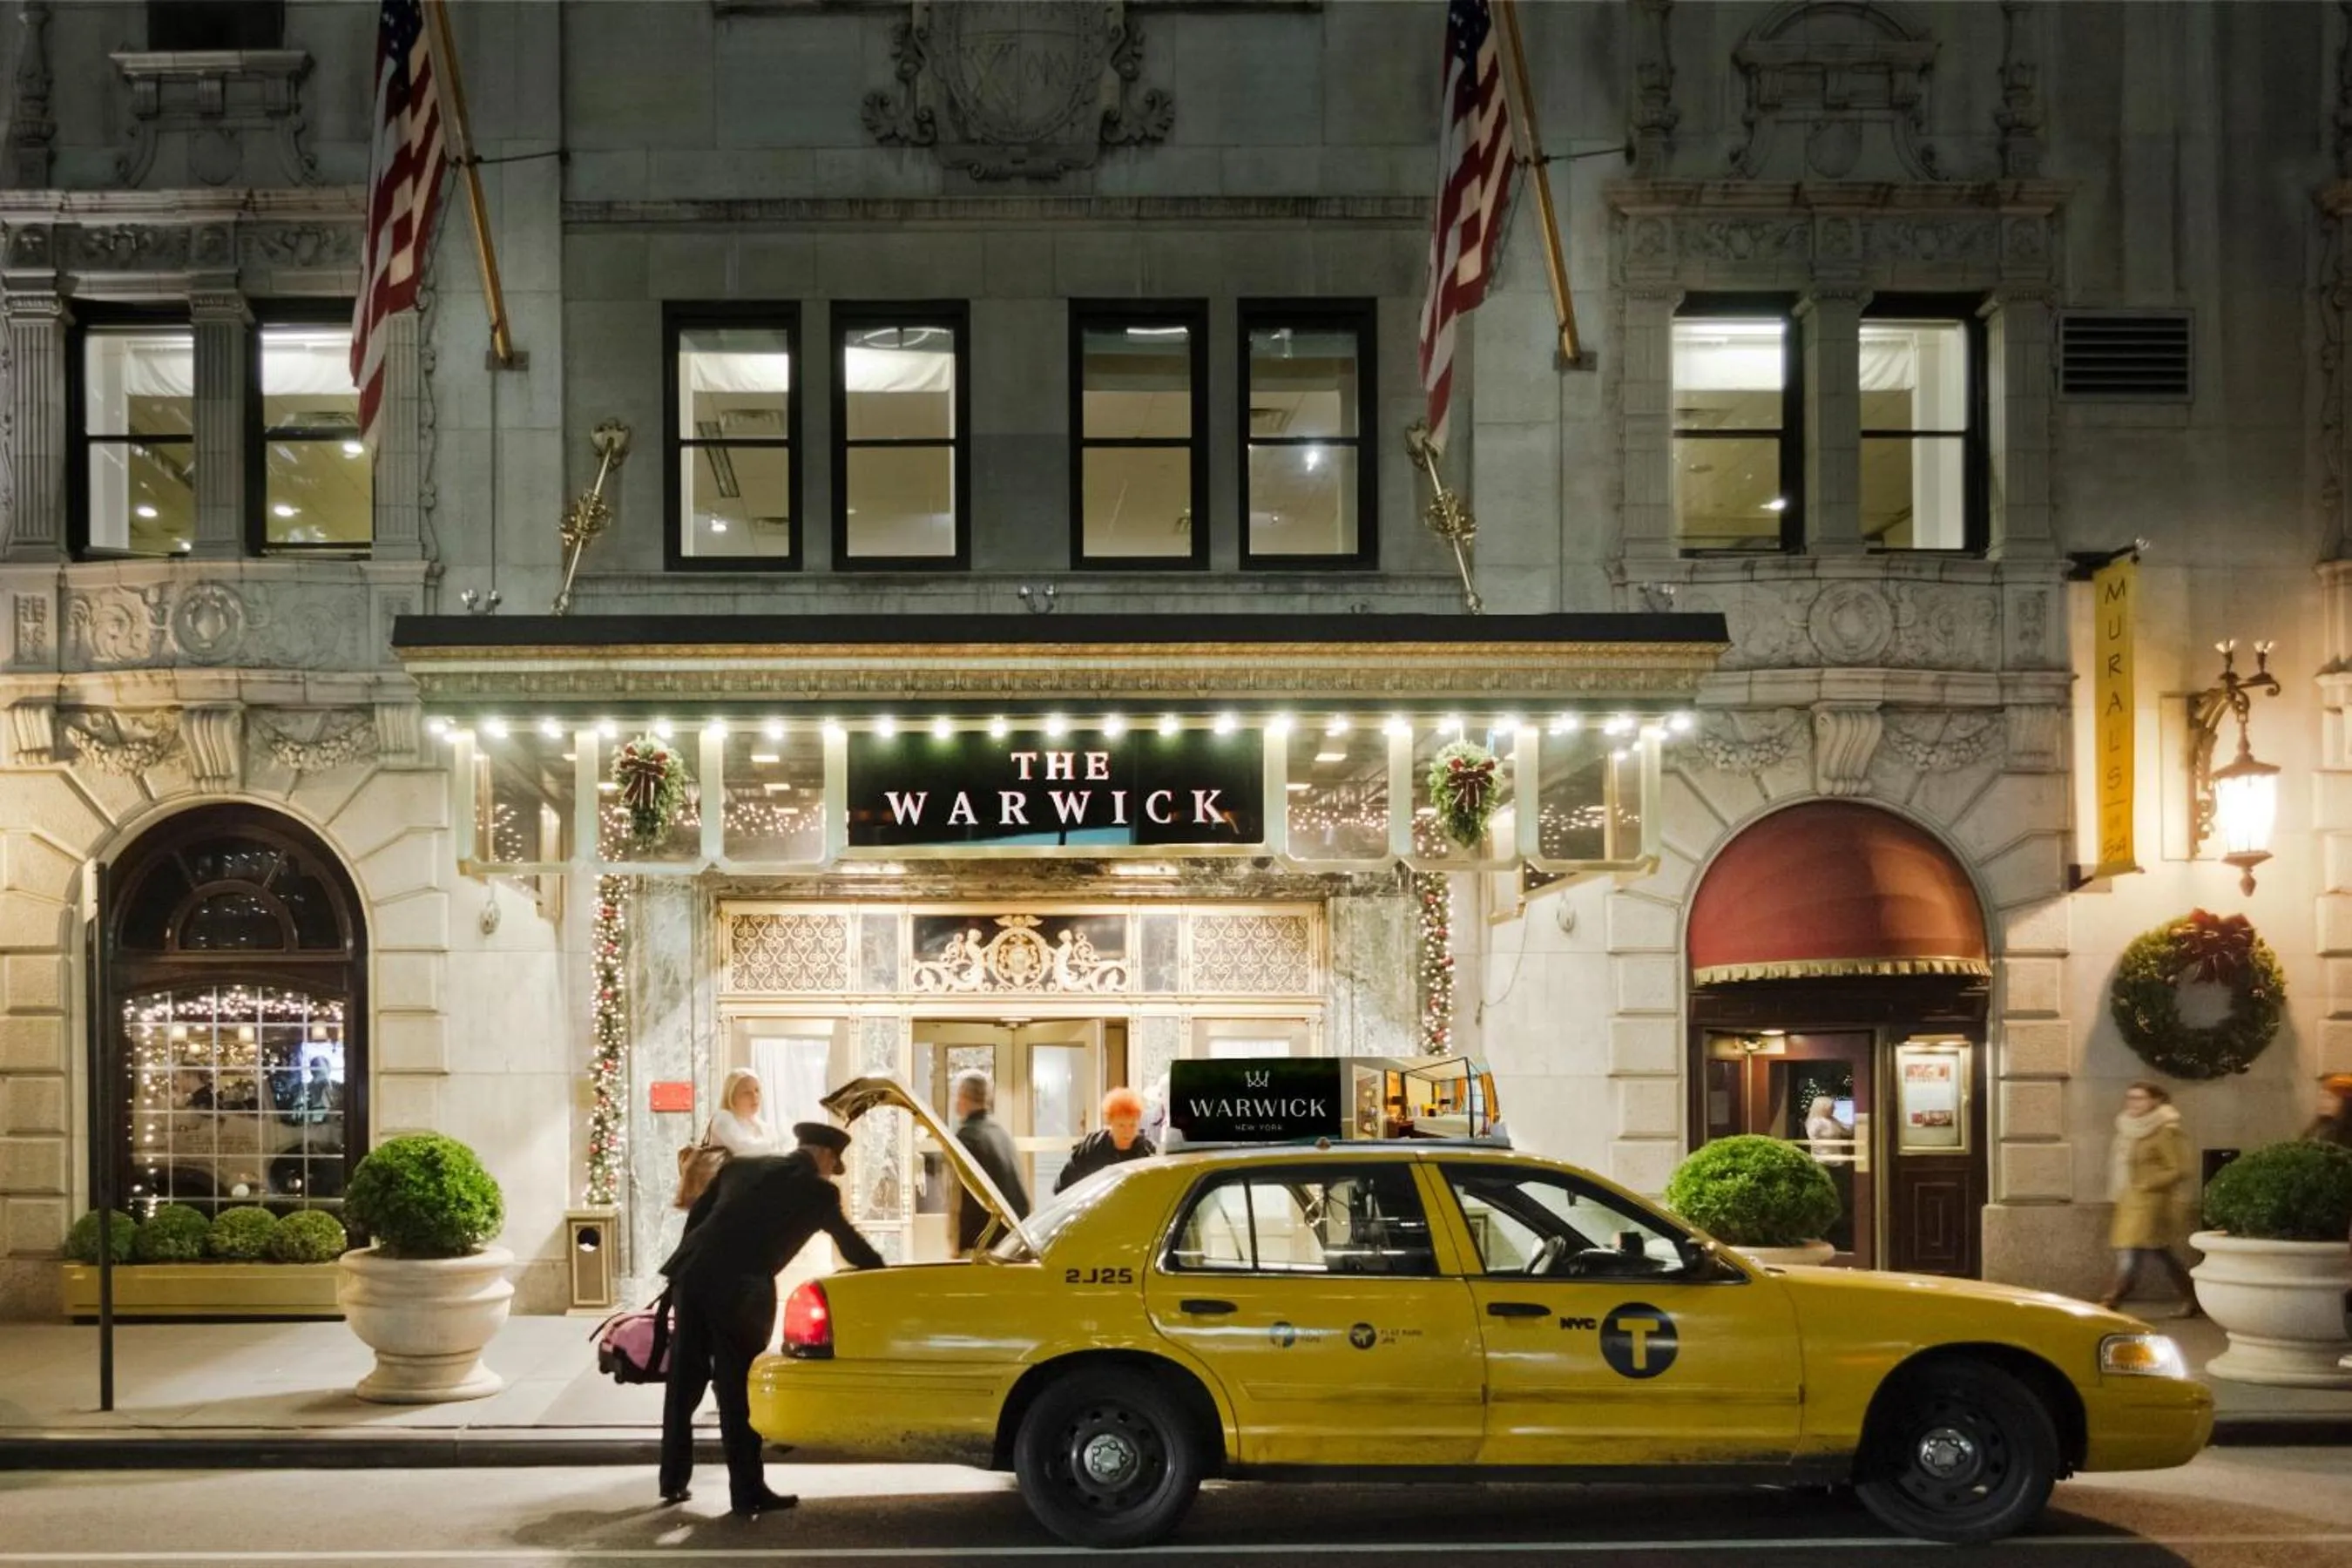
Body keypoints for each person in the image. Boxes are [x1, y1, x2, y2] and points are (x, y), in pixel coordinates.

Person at [658, 1121, 886, 1519]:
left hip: (691, 1277)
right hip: (740, 1291)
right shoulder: (818, 1192)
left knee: (683, 1381)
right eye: (834, 1164)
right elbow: (853, 1247)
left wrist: (682, 1272)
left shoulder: (740, 1167)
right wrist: (884, 1276)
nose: (833, 1172)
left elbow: (697, 1220)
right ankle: (748, 1491)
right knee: (735, 1390)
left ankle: (673, 1480)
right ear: (825, 1156)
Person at [2100, 1081, 2200, 1315]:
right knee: (2162, 1252)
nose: (2132, 1103)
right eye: (2130, 1098)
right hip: (2130, 1200)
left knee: (2131, 1252)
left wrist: (2148, 1184)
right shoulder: (2128, 1128)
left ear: (2155, 1101)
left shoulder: (2166, 1130)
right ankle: (2192, 1298)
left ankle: (2111, 1300)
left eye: (2139, 1098)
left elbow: (2179, 1168)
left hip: (2152, 1203)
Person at [950, 1071, 1030, 1253]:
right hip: (1010, 1240)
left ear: (964, 1096)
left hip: (982, 1241)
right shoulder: (1000, 1133)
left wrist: (961, 1244)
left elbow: (965, 1196)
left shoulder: (968, 1137)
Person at [1054, 1086, 1155, 1193]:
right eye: (1121, 1125)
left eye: (1132, 1125)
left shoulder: (1146, 1152)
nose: (1127, 1131)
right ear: (1110, 1122)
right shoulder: (1091, 1147)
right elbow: (1062, 1186)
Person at [709, 1068, 781, 1158]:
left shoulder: (759, 1124)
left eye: (757, 1090)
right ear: (732, 1096)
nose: (755, 1096)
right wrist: (772, 1144)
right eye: (747, 1093)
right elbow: (745, 1149)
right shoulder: (723, 1118)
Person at [2303, 1074, 2352, 1148]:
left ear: (2346, 1102)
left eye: (2330, 1098)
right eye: (2322, 1097)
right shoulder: (2317, 1128)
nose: (2323, 1102)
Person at [1803, 1095, 1850, 1161]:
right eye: (1832, 1107)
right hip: (1822, 1160)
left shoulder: (1833, 1120)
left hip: (1836, 1158)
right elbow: (1813, 1140)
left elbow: (1845, 1131)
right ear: (1823, 1108)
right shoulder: (1816, 1122)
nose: (1834, 1108)